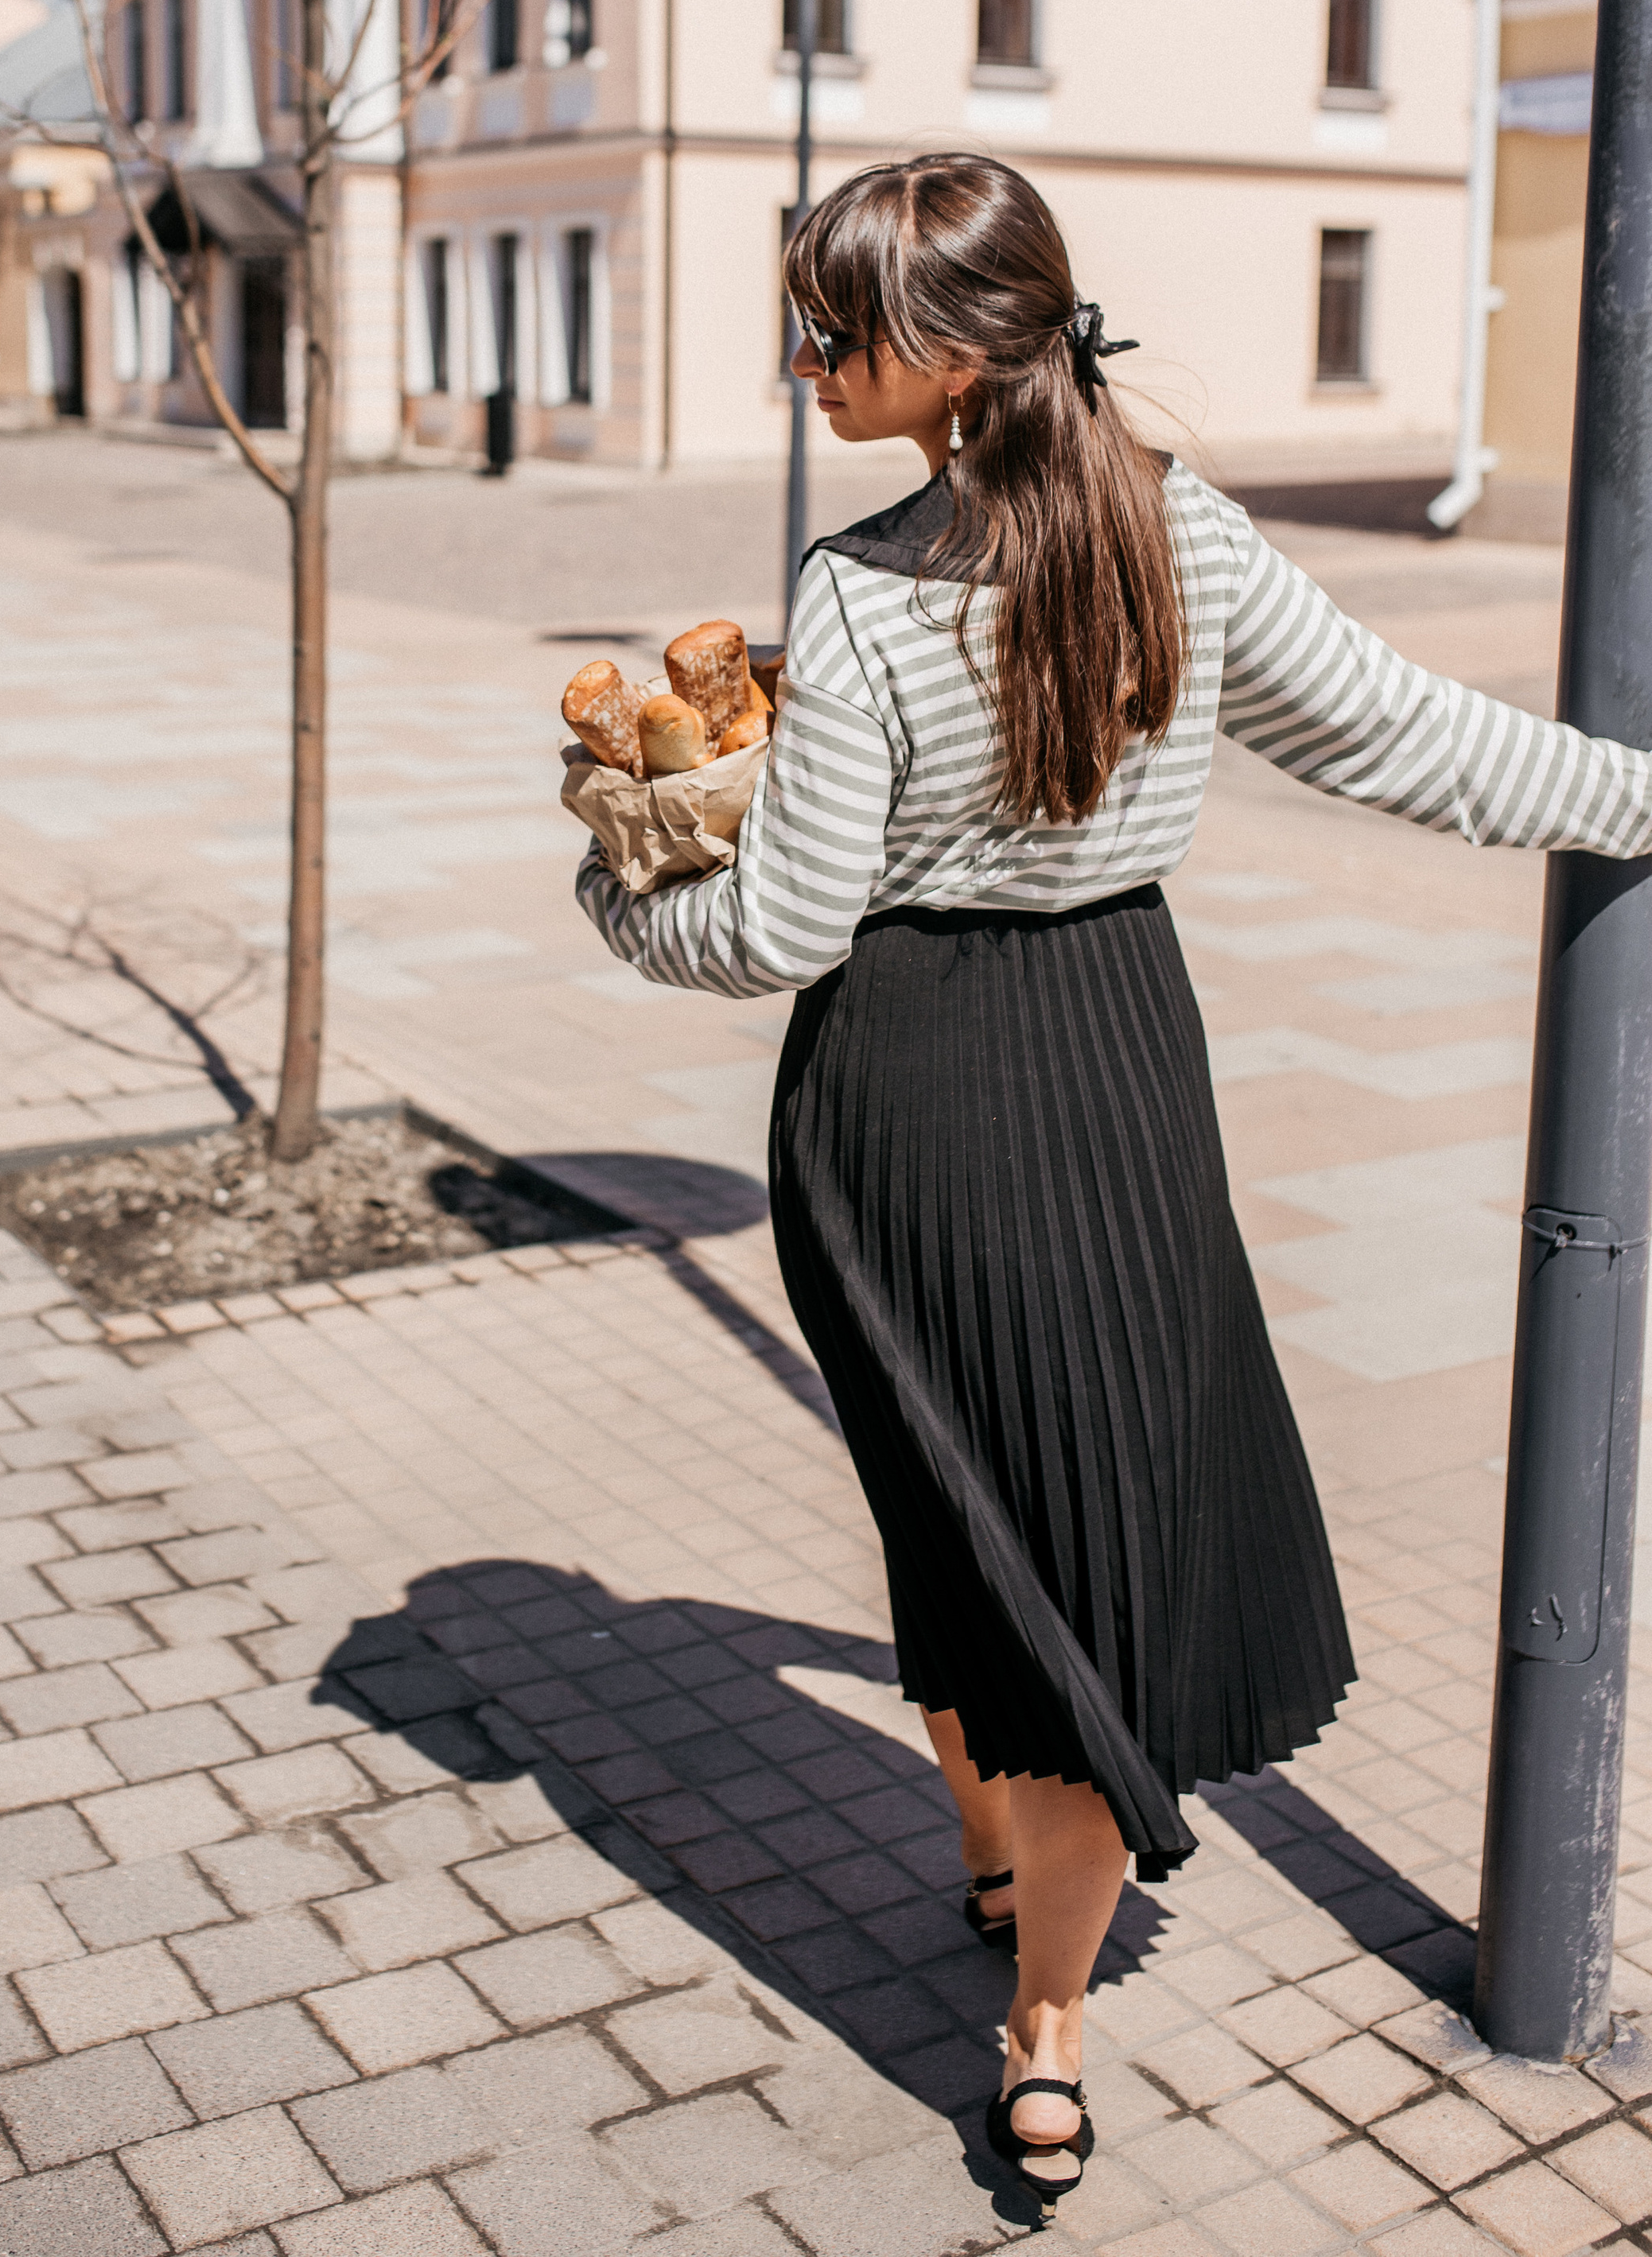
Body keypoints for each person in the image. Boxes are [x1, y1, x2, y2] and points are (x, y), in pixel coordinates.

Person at [574, 153, 1652, 2208]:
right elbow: (1421, 743)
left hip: (904, 1109)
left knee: (966, 1525)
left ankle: (1027, 1945)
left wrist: (623, 892)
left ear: (960, 350)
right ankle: (1043, 1993)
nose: (807, 361)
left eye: (836, 324)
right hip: (1126, 1071)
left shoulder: (866, 589)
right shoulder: (1193, 540)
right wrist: (1640, 795)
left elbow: (788, 918)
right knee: (1069, 1524)